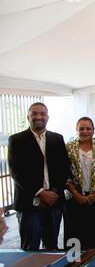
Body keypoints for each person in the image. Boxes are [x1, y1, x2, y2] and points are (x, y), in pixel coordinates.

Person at [8, 102, 70, 250]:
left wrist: (54, 192)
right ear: (28, 117)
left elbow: (64, 168)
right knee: (30, 248)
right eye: (34, 113)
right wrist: (40, 193)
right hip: (29, 204)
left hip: (54, 203)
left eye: (42, 114)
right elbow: (16, 172)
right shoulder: (17, 140)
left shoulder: (57, 138)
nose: (38, 117)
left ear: (47, 117)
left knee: (52, 247)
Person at [65, 117, 95, 249]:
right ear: (76, 130)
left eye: (88, 128)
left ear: (93, 130)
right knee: (77, 233)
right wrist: (76, 194)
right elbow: (64, 173)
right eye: (81, 128)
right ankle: (76, 263)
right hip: (75, 198)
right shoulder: (69, 147)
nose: (85, 131)